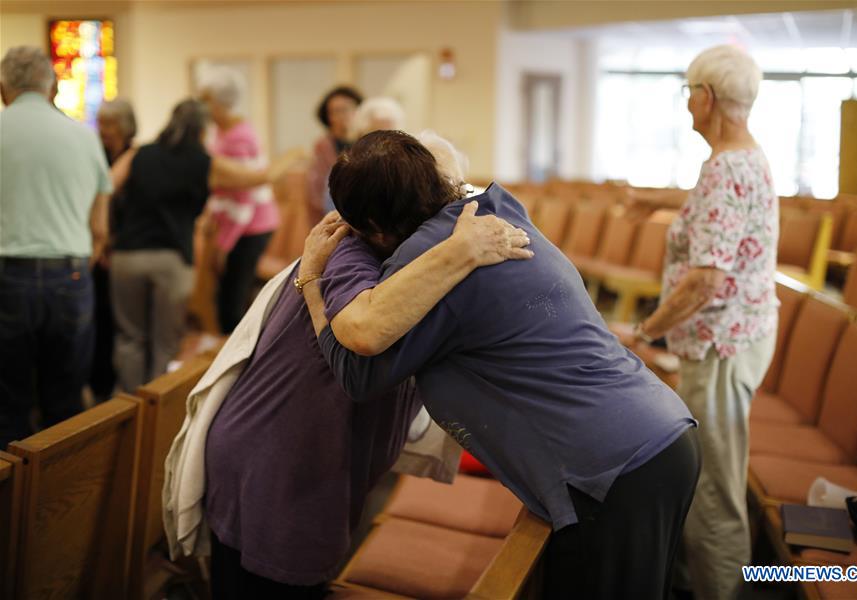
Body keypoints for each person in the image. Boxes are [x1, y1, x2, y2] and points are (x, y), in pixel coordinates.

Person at [301, 130, 702, 599]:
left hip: (613, 467)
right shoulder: (495, 209)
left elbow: (357, 372)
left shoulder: (429, 262)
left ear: (372, 224)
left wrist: (313, 279)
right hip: (656, 435)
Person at [163, 133, 531, 598]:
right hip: (279, 463)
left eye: (454, 195)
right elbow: (361, 333)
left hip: (305, 457)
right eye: (437, 199)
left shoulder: (403, 253)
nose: (449, 213)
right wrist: (462, 250)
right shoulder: (348, 252)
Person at [626, 45, 778, 600]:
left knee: (713, 488)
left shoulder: (725, 167)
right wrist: (654, 198)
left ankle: (723, 591)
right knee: (709, 476)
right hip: (737, 338)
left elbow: (706, 281)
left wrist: (645, 332)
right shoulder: (741, 158)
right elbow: (716, 211)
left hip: (720, 345)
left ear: (706, 97)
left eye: (689, 91)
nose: (688, 102)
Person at [108, 99, 298, 393]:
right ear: (202, 130)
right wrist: (292, 155)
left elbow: (107, 186)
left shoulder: (138, 154)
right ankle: (154, 408)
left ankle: (125, 408)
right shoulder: (204, 163)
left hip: (127, 256)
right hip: (172, 260)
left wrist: (107, 236)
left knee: (129, 338)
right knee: (165, 341)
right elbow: (260, 178)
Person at [0, 46, 112, 447]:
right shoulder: (83, 136)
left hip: (7, 274)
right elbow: (99, 226)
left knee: (8, 400)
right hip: (71, 272)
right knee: (64, 400)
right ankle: (59, 501)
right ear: (52, 87)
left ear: (3, 88)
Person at [199, 67, 280, 334]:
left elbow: (244, 196)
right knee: (230, 295)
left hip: (249, 227)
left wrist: (224, 244)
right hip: (239, 226)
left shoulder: (238, 137)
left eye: (205, 100)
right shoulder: (225, 131)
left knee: (231, 302)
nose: (203, 106)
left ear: (219, 103)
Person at [90, 98, 138, 402]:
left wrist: (113, 242)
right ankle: (99, 388)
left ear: (124, 126)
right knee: (99, 323)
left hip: (122, 249)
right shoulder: (95, 153)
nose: (103, 130)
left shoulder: (137, 156)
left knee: (120, 325)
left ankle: (119, 391)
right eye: (101, 123)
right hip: (98, 250)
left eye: (108, 124)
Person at [307, 86, 363, 220]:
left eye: (346, 109)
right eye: (335, 111)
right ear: (328, 117)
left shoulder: (366, 140)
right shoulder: (322, 146)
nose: (342, 115)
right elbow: (317, 189)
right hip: (334, 213)